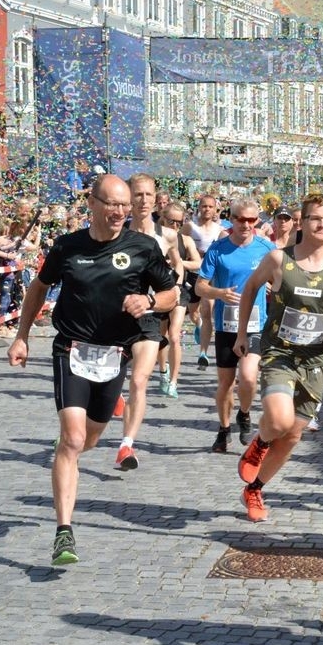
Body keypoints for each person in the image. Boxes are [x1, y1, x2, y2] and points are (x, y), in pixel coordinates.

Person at [7, 174, 177, 565]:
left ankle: (71, 451)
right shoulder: (68, 246)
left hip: (114, 353)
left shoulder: (143, 247)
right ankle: (64, 533)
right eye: (112, 204)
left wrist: (149, 301)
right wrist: (22, 336)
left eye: (125, 205)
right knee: (71, 439)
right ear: (93, 204)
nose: (120, 212)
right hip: (71, 348)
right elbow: (38, 288)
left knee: (92, 438)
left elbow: (171, 293)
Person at [232, 194, 323, 522]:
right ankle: (260, 442)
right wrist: (243, 334)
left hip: (316, 359)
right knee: (278, 421)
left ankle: (255, 489)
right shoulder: (278, 259)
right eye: (314, 218)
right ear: (302, 222)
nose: (320, 225)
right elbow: (250, 289)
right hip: (280, 353)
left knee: (292, 435)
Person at [196, 197, 276, 454]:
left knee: (249, 377)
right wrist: (219, 293)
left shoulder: (265, 247)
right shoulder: (218, 249)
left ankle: (244, 413)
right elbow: (200, 286)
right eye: (240, 219)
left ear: (257, 221)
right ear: (231, 219)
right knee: (226, 383)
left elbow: (281, 277)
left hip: (255, 325)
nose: (246, 224)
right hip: (225, 326)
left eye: (251, 220)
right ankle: (223, 428)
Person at [116, 173, 183, 469]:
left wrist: (172, 282)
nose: (144, 200)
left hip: (150, 313)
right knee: (100, 381)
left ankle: (126, 445)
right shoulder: (115, 232)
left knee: (139, 380)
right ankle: (74, 432)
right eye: (138, 195)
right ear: (129, 198)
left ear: (156, 198)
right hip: (115, 316)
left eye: (148, 195)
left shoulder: (166, 234)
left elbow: (179, 264)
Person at [158, 201, 200, 399]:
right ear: (162, 218)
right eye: (171, 221)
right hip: (157, 292)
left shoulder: (185, 240)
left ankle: (174, 381)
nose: (175, 225)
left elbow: (197, 262)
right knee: (161, 336)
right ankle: (163, 372)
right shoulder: (153, 239)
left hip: (179, 290)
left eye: (179, 222)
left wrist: (177, 262)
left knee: (174, 335)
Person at [184, 194, 224, 369]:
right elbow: (178, 247)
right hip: (193, 274)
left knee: (207, 312)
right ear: (199, 208)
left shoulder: (220, 231)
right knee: (194, 313)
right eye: (204, 206)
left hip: (210, 277)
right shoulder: (189, 227)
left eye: (210, 206)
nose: (207, 209)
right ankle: (198, 325)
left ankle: (203, 353)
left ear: (216, 209)